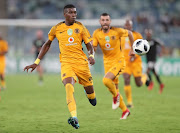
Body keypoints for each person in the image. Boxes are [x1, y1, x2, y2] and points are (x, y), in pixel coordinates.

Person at [24, 4, 97, 129]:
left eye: (75, 12)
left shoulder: (80, 27)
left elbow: (89, 44)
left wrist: (91, 56)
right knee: (68, 86)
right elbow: (47, 45)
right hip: (66, 63)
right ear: (65, 14)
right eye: (71, 12)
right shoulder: (57, 28)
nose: (74, 15)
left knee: (93, 99)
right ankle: (74, 117)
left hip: (82, 64)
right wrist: (36, 62)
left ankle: (87, 91)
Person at [93, 13, 135, 119]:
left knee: (106, 81)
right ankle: (125, 110)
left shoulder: (117, 31)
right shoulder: (97, 33)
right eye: (103, 20)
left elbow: (130, 33)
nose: (105, 22)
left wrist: (132, 49)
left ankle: (116, 97)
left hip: (119, 62)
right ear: (100, 22)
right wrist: (91, 55)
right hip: (107, 63)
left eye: (107, 20)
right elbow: (94, 47)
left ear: (110, 21)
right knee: (113, 88)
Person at [121, 20, 150, 108]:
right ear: (124, 26)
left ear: (131, 26)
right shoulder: (121, 36)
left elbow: (142, 50)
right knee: (126, 79)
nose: (127, 26)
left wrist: (135, 56)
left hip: (136, 62)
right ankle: (129, 103)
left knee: (139, 84)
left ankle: (145, 77)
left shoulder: (137, 35)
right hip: (125, 62)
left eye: (129, 25)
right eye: (126, 25)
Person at [145, 29, 165, 94]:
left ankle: (151, 83)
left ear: (151, 34)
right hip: (148, 59)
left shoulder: (154, 41)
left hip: (153, 59)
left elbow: (162, 45)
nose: (148, 35)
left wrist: (161, 53)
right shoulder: (144, 42)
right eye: (147, 34)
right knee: (154, 73)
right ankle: (161, 84)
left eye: (149, 34)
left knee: (147, 72)